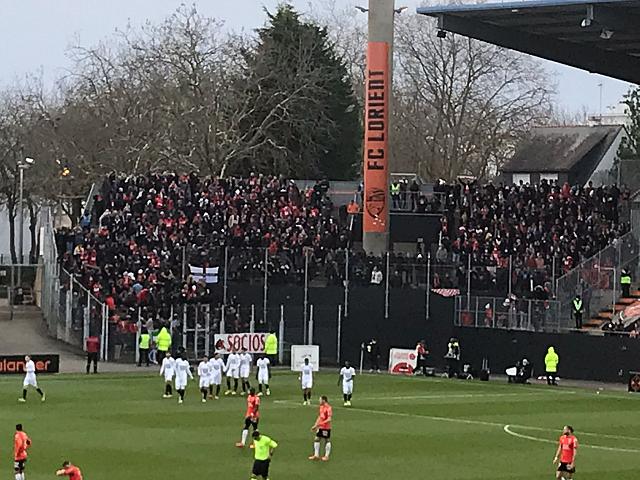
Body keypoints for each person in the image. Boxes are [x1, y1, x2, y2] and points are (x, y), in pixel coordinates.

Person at [308, 396, 333, 462]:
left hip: (326, 427)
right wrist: (315, 425)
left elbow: (329, 419)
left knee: (327, 440)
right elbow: (320, 417)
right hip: (320, 427)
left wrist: (320, 424)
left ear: (324, 400)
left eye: (320, 400)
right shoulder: (321, 407)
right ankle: (316, 455)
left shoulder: (328, 408)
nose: (319, 401)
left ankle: (326, 456)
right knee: (317, 439)